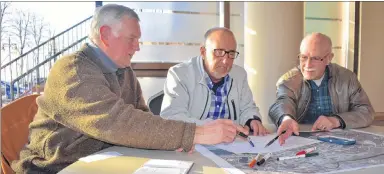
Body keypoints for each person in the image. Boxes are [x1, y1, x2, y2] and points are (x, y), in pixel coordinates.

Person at [12, 4, 248, 173]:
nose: (137, 47)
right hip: (56, 167)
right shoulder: (73, 70)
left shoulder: (124, 71)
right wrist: (197, 133)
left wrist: (177, 139)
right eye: (132, 39)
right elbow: (118, 122)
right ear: (105, 35)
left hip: (107, 161)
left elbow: (142, 118)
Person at [268, 32, 374, 145]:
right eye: (304, 57)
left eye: (315, 58)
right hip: (300, 142)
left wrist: (335, 120)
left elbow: (366, 112)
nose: (308, 65)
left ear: (329, 58)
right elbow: (281, 103)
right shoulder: (288, 80)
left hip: (337, 142)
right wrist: (286, 118)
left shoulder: (347, 78)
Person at [160, 27, 269, 136]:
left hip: (233, 145)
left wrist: (252, 120)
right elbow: (172, 118)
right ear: (203, 52)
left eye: (231, 53)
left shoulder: (239, 75)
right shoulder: (180, 74)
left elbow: (248, 108)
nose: (226, 61)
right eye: (219, 52)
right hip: (196, 146)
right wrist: (212, 129)